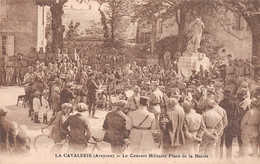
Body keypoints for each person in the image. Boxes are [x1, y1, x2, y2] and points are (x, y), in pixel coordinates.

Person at [240, 89, 260, 157]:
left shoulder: (249, 112)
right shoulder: (259, 113)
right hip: (255, 129)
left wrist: (241, 128)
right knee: (254, 144)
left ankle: (245, 158)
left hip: (247, 128)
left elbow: (243, 121)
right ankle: (255, 156)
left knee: (245, 144)